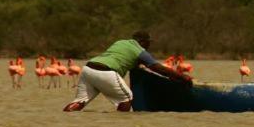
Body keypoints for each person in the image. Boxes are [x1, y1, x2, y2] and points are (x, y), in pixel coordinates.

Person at [63, 31, 192, 112]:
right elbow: (157, 67)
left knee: (79, 102)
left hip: (88, 69)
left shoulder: (120, 42)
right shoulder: (140, 51)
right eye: (148, 43)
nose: (149, 46)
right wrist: (181, 77)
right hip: (106, 71)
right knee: (127, 99)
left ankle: (66, 118)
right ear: (142, 42)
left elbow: (122, 58)